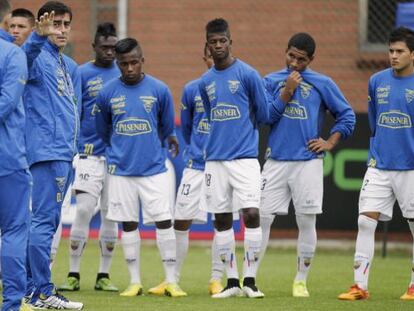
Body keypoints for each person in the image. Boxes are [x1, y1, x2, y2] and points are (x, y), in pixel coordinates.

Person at [260, 32, 355, 297]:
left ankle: (301, 280)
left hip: (308, 163)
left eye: (301, 60)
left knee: (306, 221)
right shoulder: (271, 81)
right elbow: (266, 116)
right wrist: (287, 91)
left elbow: (346, 116)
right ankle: (250, 279)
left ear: (310, 59)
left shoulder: (322, 83)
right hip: (276, 160)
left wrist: (329, 142)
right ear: (285, 51)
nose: (294, 63)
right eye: (290, 56)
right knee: (261, 218)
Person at [95, 37, 186, 298]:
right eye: (124, 64)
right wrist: (119, 150)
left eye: (134, 62)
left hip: (154, 170)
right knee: (128, 225)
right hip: (122, 171)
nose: (130, 68)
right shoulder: (107, 93)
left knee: (163, 222)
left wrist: (169, 138)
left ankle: (171, 280)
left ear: (142, 61)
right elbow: (103, 130)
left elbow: (167, 126)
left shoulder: (159, 89)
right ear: (118, 64)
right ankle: (134, 281)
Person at [338, 26, 414, 301]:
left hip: (411, 168)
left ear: (412, 54)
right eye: (390, 51)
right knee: (365, 222)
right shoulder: (376, 81)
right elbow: (373, 122)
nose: (393, 56)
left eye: (400, 52)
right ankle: (359, 286)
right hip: (379, 164)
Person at [148, 44, 227, 297]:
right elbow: (189, 128)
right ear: (204, 56)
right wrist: (197, 150)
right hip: (195, 166)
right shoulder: (192, 89)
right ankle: (171, 278)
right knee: (180, 221)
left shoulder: (234, 85)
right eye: (209, 54)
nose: (213, 58)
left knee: (221, 221)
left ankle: (216, 279)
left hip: (223, 164)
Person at [198, 18, 268, 298]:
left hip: (245, 158)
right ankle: (231, 282)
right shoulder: (205, 81)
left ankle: (250, 281)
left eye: (222, 41)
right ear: (207, 45)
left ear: (230, 41)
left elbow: (262, 113)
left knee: (251, 213)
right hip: (215, 160)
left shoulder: (249, 74)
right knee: (221, 219)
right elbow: (210, 114)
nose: (218, 46)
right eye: (213, 42)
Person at [22, 1, 83, 309]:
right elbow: (24, 59)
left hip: (61, 153)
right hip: (47, 152)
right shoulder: (38, 57)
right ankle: (41, 292)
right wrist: (35, 36)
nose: (61, 30)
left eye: (65, 24)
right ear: (43, 25)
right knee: (43, 223)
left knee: (48, 221)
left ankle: (34, 291)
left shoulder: (61, 61)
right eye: (55, 24)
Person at [58, 22, 120, 293]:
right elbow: (73, 111)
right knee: (83, 209)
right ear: (94, 47)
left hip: (117, 158)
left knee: (111, 215)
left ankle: (103, 275)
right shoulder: (82, 73)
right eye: (104, 47)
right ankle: (73, 273)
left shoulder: (125, 73)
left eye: (113, 48)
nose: (109, 52)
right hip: (88, 154)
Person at [0, 1, 31, 310]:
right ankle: (10, 304)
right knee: (13, 231)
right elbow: (7, 102)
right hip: (7, 158)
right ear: (7, 17)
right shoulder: (12, 54)